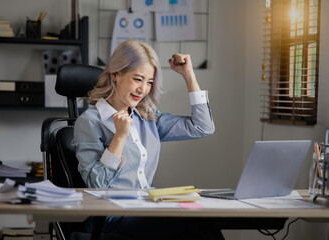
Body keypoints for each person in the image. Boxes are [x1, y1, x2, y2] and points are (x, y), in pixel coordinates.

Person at [72, 39, 225, 239]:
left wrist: (189, 75)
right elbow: (97, 185)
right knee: (192, 224)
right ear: (116, 74)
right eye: (138, 79)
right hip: (112, 216)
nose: (143, 89)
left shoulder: (146, 117)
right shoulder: (89, 122)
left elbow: (203, 127)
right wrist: (119, 137)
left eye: (149, 82)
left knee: (201, 219)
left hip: (147, 207)